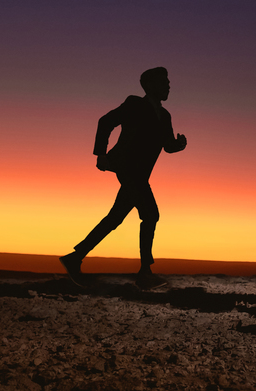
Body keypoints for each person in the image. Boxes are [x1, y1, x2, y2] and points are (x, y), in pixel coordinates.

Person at [60, 66, 187, 290]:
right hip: (127, 169)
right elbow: (105, 121)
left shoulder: (165, 116)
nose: (168, 86)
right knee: (150, 214)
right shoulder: (134, 104)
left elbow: (167, 146)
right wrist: (100, 154)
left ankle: (75, 257)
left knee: (115, 218)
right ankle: (145, 273)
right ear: (149, 86)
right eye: (163, 82)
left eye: (168, 82)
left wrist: (179, 145)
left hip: (140, 174)